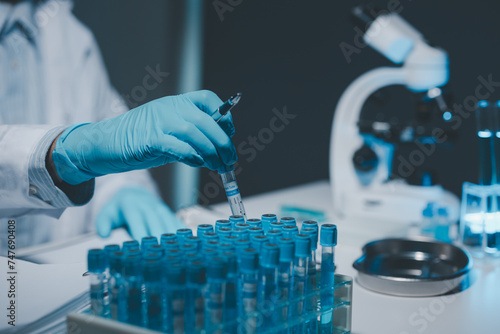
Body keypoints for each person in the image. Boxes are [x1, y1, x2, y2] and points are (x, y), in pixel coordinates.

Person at [0, 0, 236, 251]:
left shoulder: (72, 36)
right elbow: (92, 146)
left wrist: (124, 191)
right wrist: (60, 155)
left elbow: (108, 144)